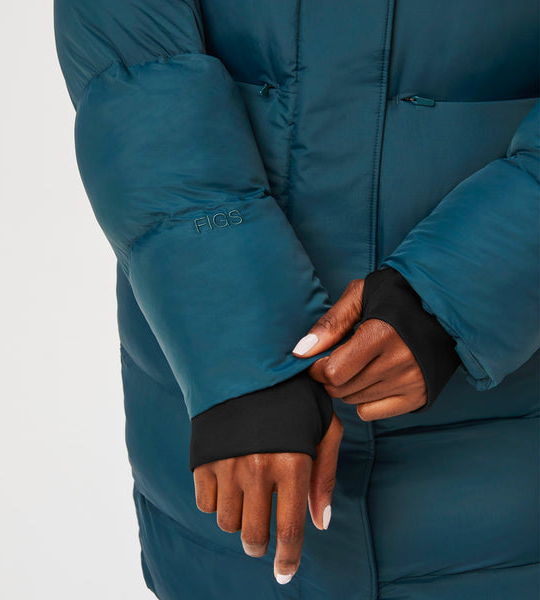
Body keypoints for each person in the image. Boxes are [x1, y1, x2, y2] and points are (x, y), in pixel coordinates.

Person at [54, 1, 539, 598]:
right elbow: (130, 56)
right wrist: (243, 349)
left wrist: (464, 289)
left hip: (503, 435)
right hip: (222, 411)